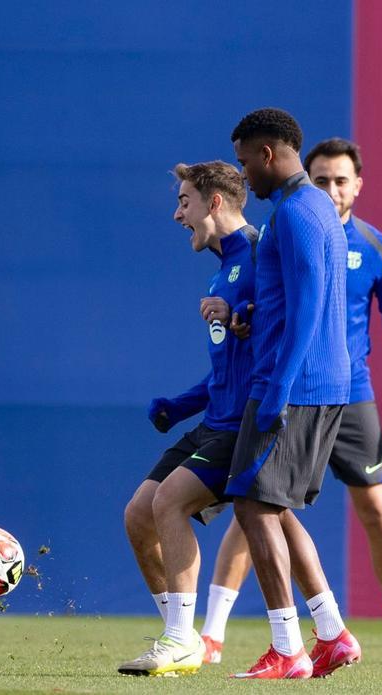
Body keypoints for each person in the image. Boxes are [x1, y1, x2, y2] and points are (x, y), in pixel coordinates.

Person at [198, 137, 382, 667]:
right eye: (321, 178)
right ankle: (218, 631)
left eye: (340, 180)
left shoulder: (352, 239)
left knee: (346, 508)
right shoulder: (297, 221)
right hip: (301, 385)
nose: (331, 188)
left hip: (331, 393)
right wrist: (242, 316)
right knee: (259, 504)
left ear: (358, 186)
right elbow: (269, 306)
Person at [226, 108, 358, 679]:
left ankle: (288, 648)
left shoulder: (297, 213)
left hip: (294, 385)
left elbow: (309, 305)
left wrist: (278, 385)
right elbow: (304, 298)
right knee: (272, 508)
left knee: (254, 506)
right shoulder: (312, 209)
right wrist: (259, 313)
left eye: (244, 162)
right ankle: (331, 634)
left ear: (269, 155)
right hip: (313, 380)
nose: (243, 176)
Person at [117, 161, 256, 676]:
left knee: (170, 501)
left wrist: (244, 322)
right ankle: (184, 637)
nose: (178, 215)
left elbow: (285, 336)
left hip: (248, 423)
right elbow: (227, 371)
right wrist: (181, 404)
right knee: (138, 514)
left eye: (184, 202)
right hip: (214, 420)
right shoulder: (223, 269)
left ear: (213, 203)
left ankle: (180, 639)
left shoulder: (262, 256)